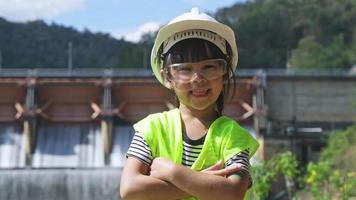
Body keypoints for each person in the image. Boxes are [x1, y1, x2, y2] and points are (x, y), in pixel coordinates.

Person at [120, 7, 259, 200]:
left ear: (224, 72)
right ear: (167, 77)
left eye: (209, 67)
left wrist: (172, 172)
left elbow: (233, 192)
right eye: (184, 69)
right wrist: (205, 182)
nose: (197, 78)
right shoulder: (151, 128)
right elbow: (130, 189)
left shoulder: (233, 136)